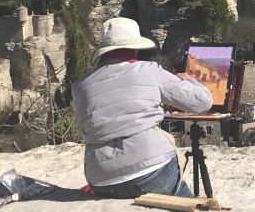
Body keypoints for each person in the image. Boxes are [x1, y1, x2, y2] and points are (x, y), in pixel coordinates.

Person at [72, 17, 213, 198]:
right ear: (135, 47)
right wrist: (187, 80)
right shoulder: (149, 71)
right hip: (150, 169)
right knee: (187, 207)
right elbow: (202, 102)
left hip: (100, 178)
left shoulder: (80, 86)